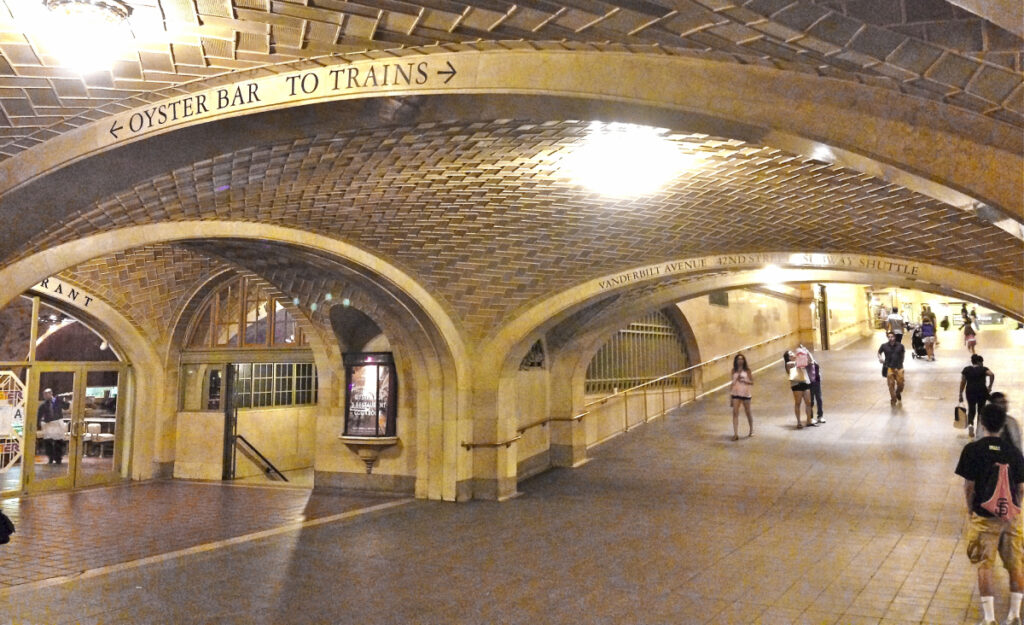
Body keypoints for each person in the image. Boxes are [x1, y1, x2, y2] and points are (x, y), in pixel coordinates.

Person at [955, 404, 1024, 625]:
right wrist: (1015, 507)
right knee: (1016, 565)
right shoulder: (1014, 453)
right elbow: (1022, 487)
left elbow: (969, 486)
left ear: (982, 423)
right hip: (1011, 517)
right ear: (1004, 424)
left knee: (985, 565)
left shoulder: (972, 450)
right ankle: (1014, 615)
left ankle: (990, 618)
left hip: (984, 517)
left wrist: (969, 508)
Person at [961, 354, 995, 438]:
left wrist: (960, 393)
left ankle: (970, 425)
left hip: (970, 391)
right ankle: (979, 430)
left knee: (971, 409)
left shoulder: (966, 369)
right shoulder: (983, 369)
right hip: (982, 391)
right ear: (979, 362)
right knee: (981, 410)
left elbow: (963, 382)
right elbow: (991, 374)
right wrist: (990, 386)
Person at [783, 349, 813, 428]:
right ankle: (799, 422)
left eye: (792, 353)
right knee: (798, 403)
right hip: (796, 384)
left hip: (805, 381)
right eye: (790, 354)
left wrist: (807, 352)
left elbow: (810, 361)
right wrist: (800, 355)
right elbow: (800, 363)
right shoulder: (788, 364)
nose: (792, 354)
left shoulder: (799, 359)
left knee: (808, 402)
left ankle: (809, 420)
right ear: (788, 357)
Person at [36, 388, 67, 464]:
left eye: (47, 394)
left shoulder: (58, 402)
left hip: (57, 423)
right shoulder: (43, 405)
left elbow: (66, 407)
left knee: (58, 441)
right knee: (48, 442)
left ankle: (58, 458)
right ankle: (50, 457)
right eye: (44, 394)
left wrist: (63, 400)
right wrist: (38, 425)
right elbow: (39, 415)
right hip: (48, 424)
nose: (45, 396)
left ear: (51, 393)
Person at [728, 353, 753, 441]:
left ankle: (751, 429)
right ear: (736, 361)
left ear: (744, 360)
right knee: (735, 413)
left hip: (745, 393)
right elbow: (732, 383)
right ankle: (735, 434)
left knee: (748, 412)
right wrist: (731, 397)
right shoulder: (733, 370)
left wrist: (745, 380)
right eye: (738, 359)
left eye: (742, 359)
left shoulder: (747, 370)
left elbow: (752, 382)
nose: (740, 360)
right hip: (736, 393)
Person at [877, 331, 906, 406]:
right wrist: (880, 358)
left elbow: (903, 355)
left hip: (899, 367)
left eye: (892, 337)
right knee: (891, 384)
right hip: (889, 367)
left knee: (901, 384)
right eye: (889, 337)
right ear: (887, 337)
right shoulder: (884, 346)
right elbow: (879, 352)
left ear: (895, 337)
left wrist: (900, 363)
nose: (891, 338)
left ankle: (898, 392)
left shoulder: (900, 346)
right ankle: (893, 398)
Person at [807, 353, 825, 425]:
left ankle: (820, 416)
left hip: (817, 382)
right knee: (811, 401)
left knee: (819, 399)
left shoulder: (814, 362)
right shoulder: (805, 364)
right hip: (810, 383)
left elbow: (817, 368)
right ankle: (811, 417)